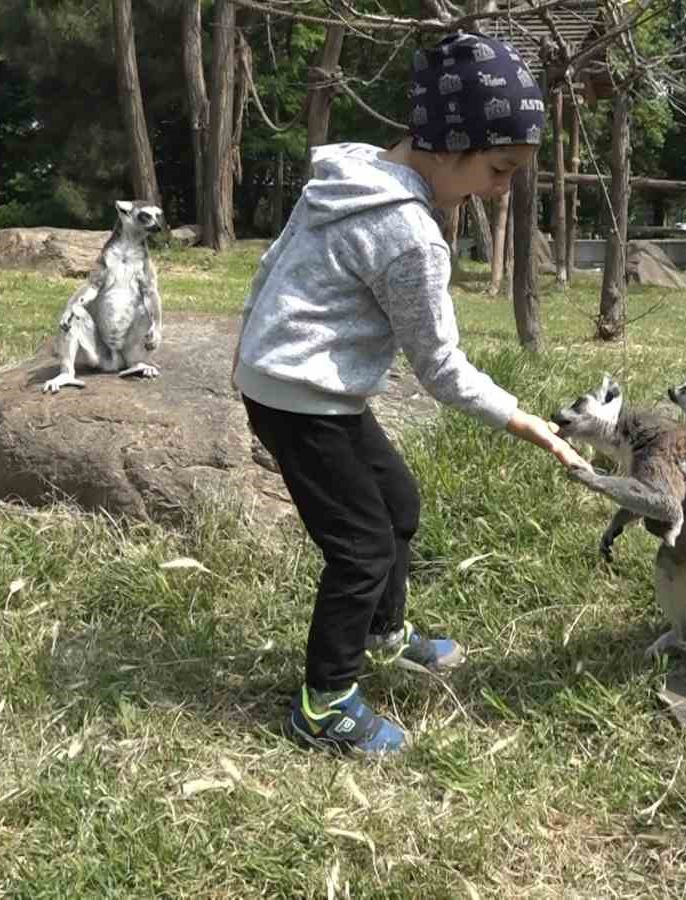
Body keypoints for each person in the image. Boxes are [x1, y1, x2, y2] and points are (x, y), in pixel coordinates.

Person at [231, 31, 589, 755]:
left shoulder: (350, 171)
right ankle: (325, 703)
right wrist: (525, 421)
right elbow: (442, 369)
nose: (503, 188)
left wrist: (258, 344)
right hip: (304, 398)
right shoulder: (408, 235)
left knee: (399, 503)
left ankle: (383, 633)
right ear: (449, 144)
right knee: (360, 549)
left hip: (289, 379)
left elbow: (274, 264)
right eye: (498, 168)